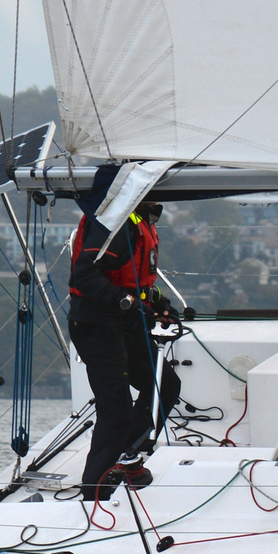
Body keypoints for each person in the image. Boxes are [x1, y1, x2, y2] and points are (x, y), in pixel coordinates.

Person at [68, 198, 181, 500]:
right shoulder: (113, 222)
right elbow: (84, 275)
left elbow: (135, 280)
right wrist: (124, 301)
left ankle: (127, 456)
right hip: (98, 325)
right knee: (115, 411)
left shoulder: (138, 220)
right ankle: (95, 491)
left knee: (165, 385)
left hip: (126, 322)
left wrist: (159, 304)